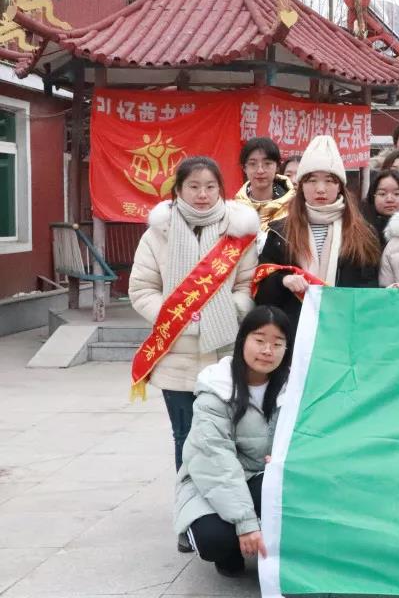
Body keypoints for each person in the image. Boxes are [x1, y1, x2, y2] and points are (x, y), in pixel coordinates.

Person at [128, 156, 259, 553]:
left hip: (224, 352)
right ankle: (189, 520)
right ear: (178, 190)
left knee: (228, 438)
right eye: (194, 187)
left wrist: (226, 310)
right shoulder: (158, 234)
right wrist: (176, 317)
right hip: (176, 354)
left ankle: (227, 514)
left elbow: (247, 286)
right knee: (186, 438)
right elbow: (141, 289)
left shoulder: (239, 232)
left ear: (221, 189)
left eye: (210, 186)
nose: (202, 194)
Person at [175, 306, 292, 578]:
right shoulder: (216, 388)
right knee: (214, 539)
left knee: (283, 487)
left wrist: (290, 457)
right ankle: (229, 551)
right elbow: (215, 461)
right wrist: (246, 523)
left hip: (263, 477)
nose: (267, 350)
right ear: (242, 341)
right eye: (260, 340)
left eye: (278, 344)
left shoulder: (294, 387)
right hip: (211, 480)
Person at [255, 135, 382, 329]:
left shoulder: (363, 234)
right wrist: (283, 280)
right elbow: (262, 293)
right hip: (293, 332)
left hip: (344, 329)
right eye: (312, 181)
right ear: (301, 186)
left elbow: (369, 290)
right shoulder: (280, 232)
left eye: (329, 181)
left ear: (340, 186)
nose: (320, 189)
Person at [233, 137, 295, 235]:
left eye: (267, 163)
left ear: (277, 167)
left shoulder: (293, 208)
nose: (260, 170)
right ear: (244, 168)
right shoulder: (234, 211)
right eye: (253, 164)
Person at [361, 168, 399, 246]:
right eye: (382, 194)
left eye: (396, 194)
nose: (389, 199)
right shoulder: (361, 230)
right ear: (373, 197)